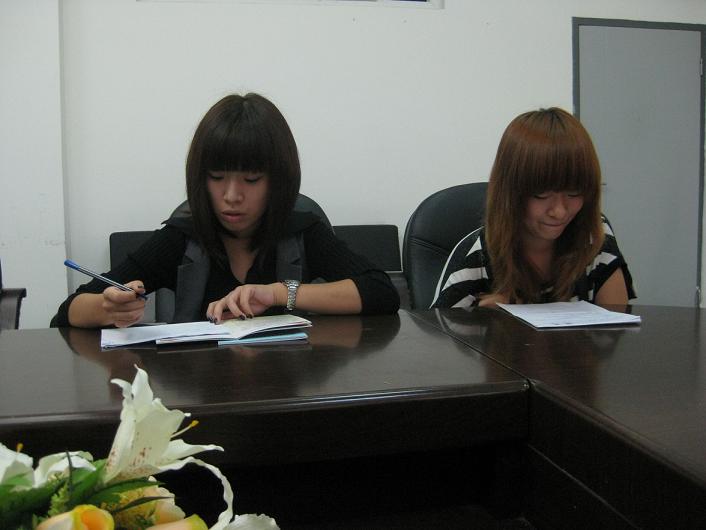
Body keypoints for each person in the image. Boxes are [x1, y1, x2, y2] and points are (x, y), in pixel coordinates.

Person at [51, 93, 399, 328]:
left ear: (278, 181)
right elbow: (68, 312)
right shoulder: (182, 237)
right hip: (201, 399)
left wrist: (278, 292)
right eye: (217, 177)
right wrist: (108, 307)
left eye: (251, 179)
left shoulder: (301, 232)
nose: (231, 196)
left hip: (287, 394)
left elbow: (381, 292)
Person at [431, 107, 635, 309]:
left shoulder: (595, 235)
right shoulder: (475, 258)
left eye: (574, 193)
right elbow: (439, 329)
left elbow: (617, 323)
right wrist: (482, 321)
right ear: (510, 192)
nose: (559, 211)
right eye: (541, 195)